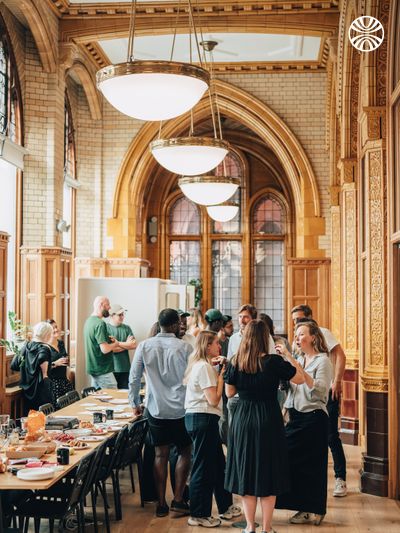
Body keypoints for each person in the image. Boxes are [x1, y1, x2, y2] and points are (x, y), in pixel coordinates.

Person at [224, 320, 303, 533]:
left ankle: (250, 527)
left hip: (243, 419)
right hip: (268, 417)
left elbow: (229, 393)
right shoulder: (274, 362)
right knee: (269, 471)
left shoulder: (235, 361)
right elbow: (300, 379)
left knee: (246, 472)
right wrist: (288, 355)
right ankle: (267, 528)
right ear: (265, 338)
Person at [129, 308, 193, 517]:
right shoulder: (185, 347)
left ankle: (160, 503)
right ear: (174, 325)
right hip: (181, 409)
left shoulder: (144, 346)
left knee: (160, 454)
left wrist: (134, 403)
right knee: (184, 451)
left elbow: (134, 377)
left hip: (155, 408)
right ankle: (178, 499)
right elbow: (192, 378)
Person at [275, 322, 333, 526]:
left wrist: (292, 362)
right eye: (296, 335)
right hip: (295, 417)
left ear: (313, 338)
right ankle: (302, 506)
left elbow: (320, 391)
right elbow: (292, 390)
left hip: (314, 418)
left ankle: (315, 509)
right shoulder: (300, 358)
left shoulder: (323, 361)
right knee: (290, 462)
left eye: (301, 334)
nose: (297, 338)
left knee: (313, 467)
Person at [184, 331, 241, 528]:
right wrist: (222, 377)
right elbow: (214, 399)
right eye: (217, 343)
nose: (219, 347)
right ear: (207, 347)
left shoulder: (202, 366)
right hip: (202, 418)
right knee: (203, 468)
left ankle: (225, 507)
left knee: (218, 464)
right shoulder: (204, 367)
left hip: (202, 419)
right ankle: (198, 514)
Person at [291, 304, 347, 497]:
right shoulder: (297, 340)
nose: (296, 324)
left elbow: (340, 354)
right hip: (301, 401)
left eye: (299, 319)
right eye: (294, 322)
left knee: (331, 435)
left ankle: (340, 478)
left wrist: (337, 381)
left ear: (308, 318)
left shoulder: (322, 332)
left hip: (323, 390)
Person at [14, 322, 54, 413]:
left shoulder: (26, 346)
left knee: (30, 417)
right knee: (43, 417)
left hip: (26, 388)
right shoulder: (44, 348)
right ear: (47, 334)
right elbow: (44, 373)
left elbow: (15, 365)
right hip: (41, 389)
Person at [83, 296, 120, 390]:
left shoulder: (89, 321)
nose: (110, 308)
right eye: (108, 305)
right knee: (113, 397)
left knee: (97, 399)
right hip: (102, 369)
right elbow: (105, 349)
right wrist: (115, 344)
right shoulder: (100, 323)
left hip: (93, 367)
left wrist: (108, 339)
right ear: (101, 305)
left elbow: (95, 343)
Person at [106, 304, 136, 389]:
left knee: (125, 396)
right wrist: (127, 344)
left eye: (123, 314)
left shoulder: (127, 328)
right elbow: (109, 349)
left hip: (125, 368)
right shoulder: (105, 328)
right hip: (110, 369)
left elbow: (133, 345)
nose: (123, 316)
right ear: (112, 316)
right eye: (120, 315)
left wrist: (117, 343)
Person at [46, 319, 74, 401]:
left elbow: (65, 357)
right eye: (52, 328)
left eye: (56, 327)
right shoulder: (44, 347)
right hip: (53, 384)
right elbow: (42, 367)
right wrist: (55, 363)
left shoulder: (61, 343)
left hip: (64, 381)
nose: (56, 329)